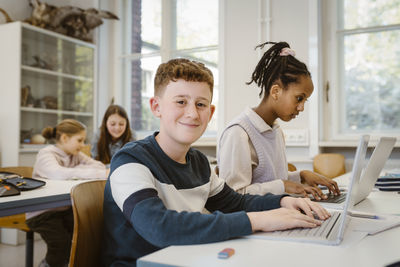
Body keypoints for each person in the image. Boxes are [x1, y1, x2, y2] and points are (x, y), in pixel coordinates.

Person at [102, 58, 330, 266]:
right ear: (156, 107)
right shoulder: (129, 161)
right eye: (181, 101)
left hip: (188, 258)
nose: (192, 113)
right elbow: (159, 227)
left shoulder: (200, 163)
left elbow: (237, 203)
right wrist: (260, 220)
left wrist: (283, 202)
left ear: (210, 113)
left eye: (201, 105)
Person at [217, 41, 340, 200]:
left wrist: (301, 176)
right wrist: (283, 185)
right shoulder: (238, 133)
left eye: (305, 101)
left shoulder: (275, 131)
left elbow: (269, 180)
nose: (301, 107)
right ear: (276, 91)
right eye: (299, 98)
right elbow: (233, 196)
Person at [27, 119, 108, 267]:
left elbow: (99, 166)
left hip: (63, 209)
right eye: (80, 140)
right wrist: (80, 171)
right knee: (61, 243)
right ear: (64, 138)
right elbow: (59, 174)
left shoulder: (74, 154)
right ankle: (48, 265)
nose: (83, 145)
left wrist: (77, 171)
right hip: (41, 213)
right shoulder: (46, 154)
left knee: (85, 233)